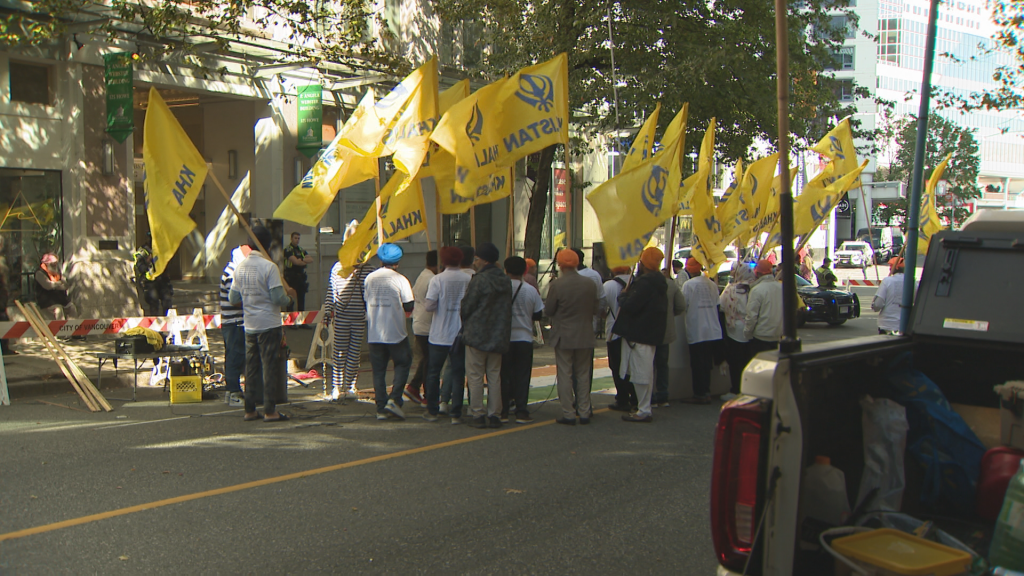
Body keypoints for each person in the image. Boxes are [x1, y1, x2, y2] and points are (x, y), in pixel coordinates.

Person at [229, 225, 293, 422]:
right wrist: (289, 297)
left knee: (252, 368)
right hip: (269, 324)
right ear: (268, 244)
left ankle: (250, 409)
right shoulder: (269, 267)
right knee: (269, 367)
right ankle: (270, 410)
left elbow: (233, 297)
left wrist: (249, 299)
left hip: (250, 324)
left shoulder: (240, 267)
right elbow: (277, 298)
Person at [611, 247, 668, 422]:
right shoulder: (659, 281)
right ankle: (644, 407)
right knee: (644, 371)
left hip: (639, 334)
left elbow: (631, 305)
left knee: (640, 373)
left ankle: (643, 409)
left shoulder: (645, 283)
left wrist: (622, 298)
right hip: (649, 332)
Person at [545, 248, 600, 425]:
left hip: (564, 334)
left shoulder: (557, 285)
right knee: (583, 374)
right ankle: (584, 410)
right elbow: (597, 308)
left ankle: (568, 412)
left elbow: (549, 310)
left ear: (560, 264)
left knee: (565, 374)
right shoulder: (589, 283)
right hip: (585, 333)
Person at [461, 243, 513, 429]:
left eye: (476, 258)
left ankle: (478, 413)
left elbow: (467, 306)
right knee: (494, 375)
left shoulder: (479, 280)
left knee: (475, 376)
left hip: (477, 333)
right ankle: (495, 414)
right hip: (499, 333)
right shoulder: (505, 280)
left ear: (483, 260)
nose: (475, 262)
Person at [364, 243, 415, 421]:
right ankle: (394, 399)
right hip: (396, 331)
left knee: (378, 370)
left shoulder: (369, 279)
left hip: (375, 332)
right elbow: (409, 305)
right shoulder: (401, 279)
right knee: (402, 363)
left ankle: (380, 408)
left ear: (380, 259)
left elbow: (366, 301)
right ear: (398, 261)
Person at [325, 220, 375, 401]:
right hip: (345, 316)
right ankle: (340, 387)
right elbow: (331, 293)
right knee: (341, 352)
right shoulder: (339, 268)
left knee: (351, 353)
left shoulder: (368, 270)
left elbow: (370, 296)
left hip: (354, 316)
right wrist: (327, 312)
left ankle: (348, 386)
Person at [423, 247, 471, 423]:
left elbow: (429, 306)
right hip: (459, 333)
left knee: (434, 372)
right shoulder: (468, 279)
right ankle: (456, 413)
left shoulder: (437, 280)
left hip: (439, 333)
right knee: (458, 373)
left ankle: (433, 410)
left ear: (443, 261)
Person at [500, 256, 544, 424]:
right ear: (524, 271)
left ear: (506, 270)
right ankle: (521, 410)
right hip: (524, 337)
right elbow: (538, 313)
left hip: (505, 337)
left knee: (504, 375)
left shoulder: (502, 288)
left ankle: (503, 410)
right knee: (522, 375)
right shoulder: (530, 290)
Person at [681, 258, 723, 405]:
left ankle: (700, 394)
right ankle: (707, 391)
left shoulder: (688, 285)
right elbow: (718, 304)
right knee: (707, 363)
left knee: (698, 364)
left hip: (697, 328)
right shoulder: (712, 284)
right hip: (712, 329)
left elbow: (682, 305)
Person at [219, 244, 251, 406]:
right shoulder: (232, 273)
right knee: (234, 357)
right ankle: (233, 392)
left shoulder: (234, 271)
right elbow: (235, 299)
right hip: (234, 322)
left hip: (234, 322)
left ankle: (234, 391)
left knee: (237, 357)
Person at [405, 250, 437, 406]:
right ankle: (426, 393)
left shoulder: (424, 275)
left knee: (426, 359)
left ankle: (415, 386)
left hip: (420, 322)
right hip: (427, 325)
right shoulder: (432, 279)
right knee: (429, 362)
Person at [719, 261, 756, 398]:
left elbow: (722, 306)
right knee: (748, 361)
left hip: (734, 330)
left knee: (735, 362)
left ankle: (736, 389)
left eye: (733, 270)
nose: (731, 273)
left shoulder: (731, 289)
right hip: (752, 329)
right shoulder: (755, 288)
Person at [604, 266, 636, 412]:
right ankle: (635, 396)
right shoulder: (637, 283)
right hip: (633, 331)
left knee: (616, 366)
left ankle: (622, 398)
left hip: (614, 330)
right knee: (632, 365)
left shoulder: (608, 285)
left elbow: (601, 307)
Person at [654, 270, 686, 407]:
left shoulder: (644, 283)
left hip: (647, 331)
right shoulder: (671, 285)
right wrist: (670, 315)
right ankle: (662, 395)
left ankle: (647, 397)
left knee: (646, 364)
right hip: (665, 330)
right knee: (662, 364)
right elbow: (681, 306)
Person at [744, 260, 784, 355]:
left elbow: (751, 316)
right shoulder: (782, 288)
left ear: (757, 273)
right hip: (778, 335)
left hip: (760, 337)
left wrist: (747, 333)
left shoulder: (757, 290)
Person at [133, 243, 173, 316]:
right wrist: (149, 261)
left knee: (167, 300)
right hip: (149, 282)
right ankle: (154, 322)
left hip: (162, 281)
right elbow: (140, 267)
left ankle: (167, 320)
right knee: (153, 301)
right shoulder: (143, 251)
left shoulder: (161, 250)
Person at [36, 253, 77, 320]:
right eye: (53, 263)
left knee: (72, 308)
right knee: (58, 310)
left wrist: (62, 283)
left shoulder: (57, 272)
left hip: (60, 299)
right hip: (48, 300)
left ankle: (73, 327)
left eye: (56, 263)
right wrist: (58, 284)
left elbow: (65, 285)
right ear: (47, 263)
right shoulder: (40, 273)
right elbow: (48, 286)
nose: (55, 265)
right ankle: (60, 329)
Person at [873, 257, 905, 335]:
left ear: (895, 267)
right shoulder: (913, 282)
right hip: (905, 324)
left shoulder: (887, 281)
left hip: (887, 324)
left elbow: (877, 305)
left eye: (890, 266)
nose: (889, 269)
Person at [283, 232, 314, 312]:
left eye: (298, 238)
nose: (297, 240)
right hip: (291, 277)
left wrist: (302, 260)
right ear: (291, 238)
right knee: (291, 301)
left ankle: (302, 324)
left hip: (301, 278)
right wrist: (301, 261)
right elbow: (295, 262)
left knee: (301, 301)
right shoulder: (288, 249)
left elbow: (311, 259)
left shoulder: (301, 250)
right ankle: (290, 323)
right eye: (295, 238)